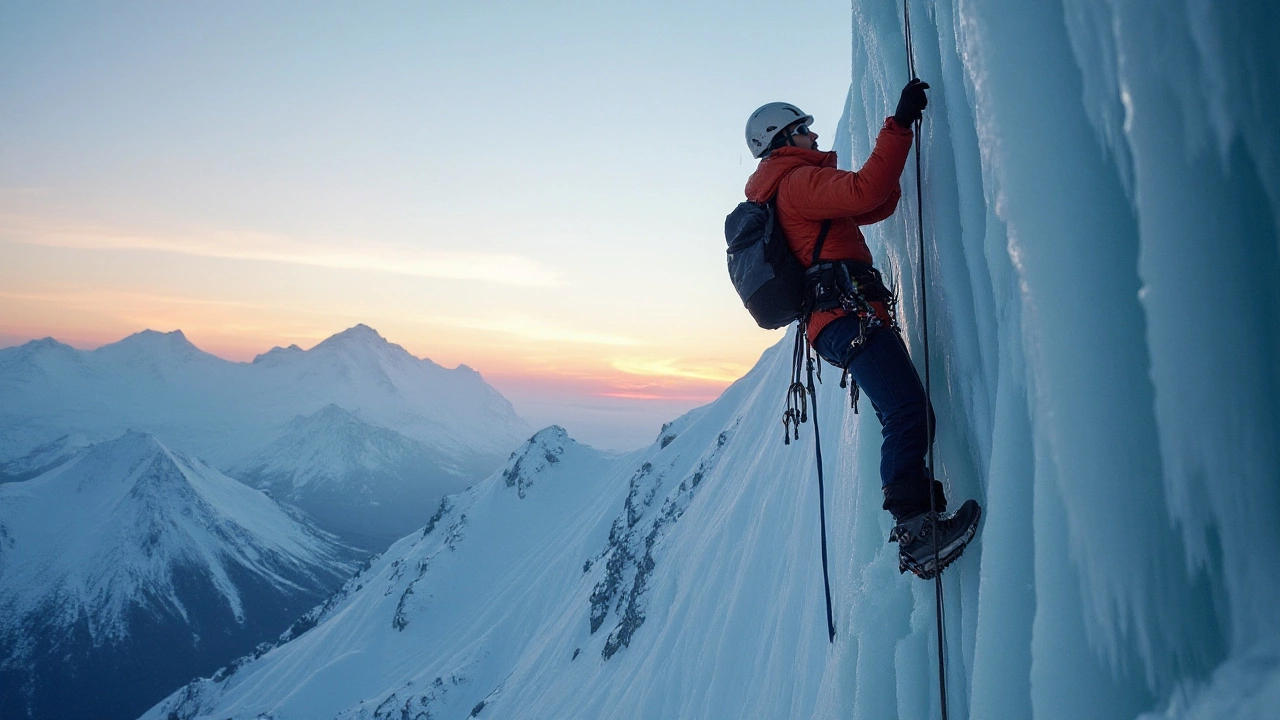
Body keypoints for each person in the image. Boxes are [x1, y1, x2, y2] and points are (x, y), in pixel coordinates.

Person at [742, 81, 981, 579]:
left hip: (840, 319)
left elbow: (876, 205)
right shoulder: (795, 182)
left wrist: (891, 160)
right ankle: (917, 534)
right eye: (802, 128)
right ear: (783, 139)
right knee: (906, 411)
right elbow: (866, 191)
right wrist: (897, 125)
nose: (812, 135)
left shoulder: (789, 187)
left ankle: (920, 523)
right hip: (846, 315)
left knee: (909, 411)